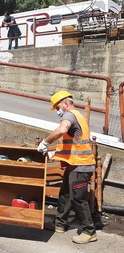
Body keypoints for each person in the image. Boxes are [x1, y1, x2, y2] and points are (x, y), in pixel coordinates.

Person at [37, 90, 97, 244]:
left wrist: (45, 142)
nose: (58, 111)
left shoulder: (69, 115)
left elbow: (62, 130)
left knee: (78, 198)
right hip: (74, 164)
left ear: (66, 103)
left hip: (81, 166)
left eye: (58, 107)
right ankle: (60, 224)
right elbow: (70, 143)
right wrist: (54, 154)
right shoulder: (77, 116)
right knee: (65, 194)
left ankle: (89, 231)